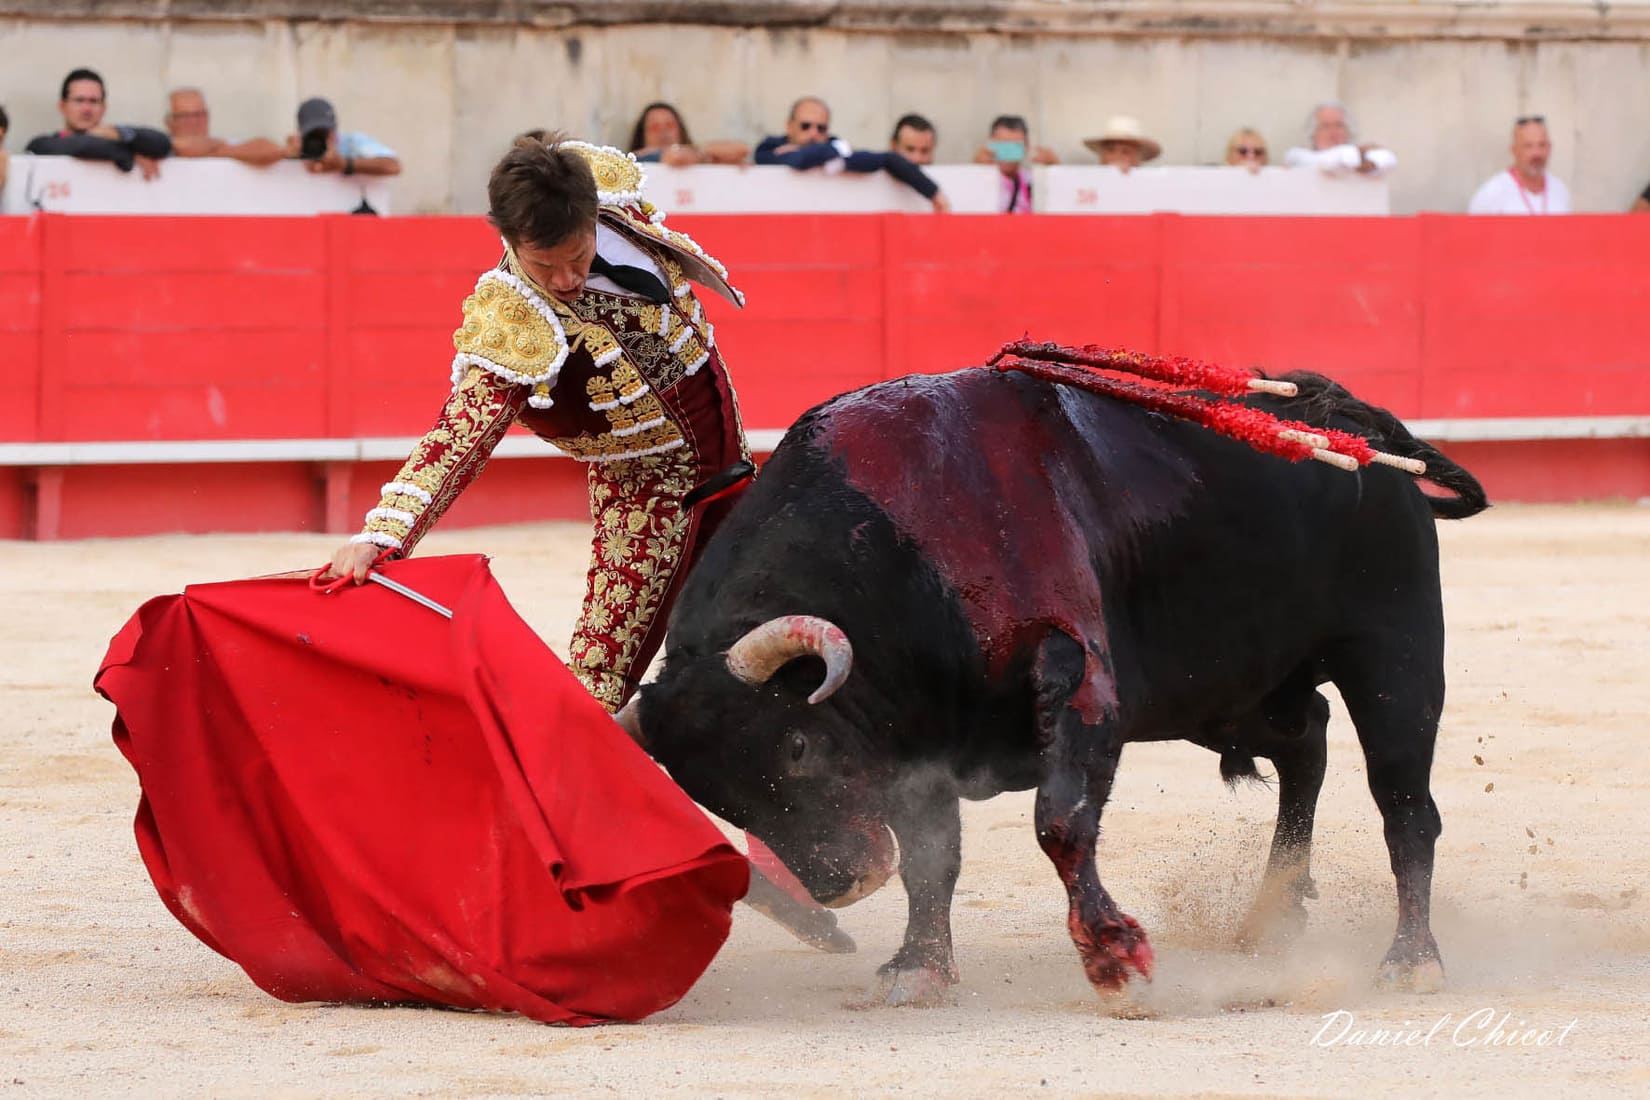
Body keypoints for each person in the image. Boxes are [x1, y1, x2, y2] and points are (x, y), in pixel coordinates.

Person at [323, 132, 849, 951]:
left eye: (574, 258)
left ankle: (782, 855)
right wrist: (382, 536)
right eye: (546, 267)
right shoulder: (510, 319)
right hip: (646, 512)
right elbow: (456, 439)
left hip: (737, 491)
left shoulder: (608, 193)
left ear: (591, 219)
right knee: (591, 708)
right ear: (508, 242)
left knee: (805, 654)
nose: (565, 280)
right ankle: (530, 897)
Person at [755, 96, 950, 212]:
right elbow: (799, 160)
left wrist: (933, 193)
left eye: (821, 128)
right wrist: (831, 151)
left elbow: (887, 159)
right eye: (806, 126)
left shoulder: (836, 147)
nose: (814, 133)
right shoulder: (769, 148)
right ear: (789, 126)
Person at [25, 68, 171, 180]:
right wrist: (128, 154)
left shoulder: (115, 137)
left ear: (104, 108)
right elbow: (84, 146)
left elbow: (162, 143)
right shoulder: (43, 144)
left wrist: (119, 133)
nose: (87, 109)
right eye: (79, 100)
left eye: (94, 101)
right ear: (62, 106)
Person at [1467, 115, 1572, 215]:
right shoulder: (1491, 194)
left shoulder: (1560, 190)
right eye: (1528, 146)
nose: (1536, 153)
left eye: (1542, 145)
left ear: (1549, 147)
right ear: (1514, 150)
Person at [164, 87, 284, 166]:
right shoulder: (159, 151)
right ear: (169, 122)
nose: (195, 122)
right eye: (185, 116)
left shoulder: (220, 145)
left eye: (200, 114)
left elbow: (272, 149)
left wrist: (216, 149)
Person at [285, 97, 400, 177]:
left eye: (324, 133)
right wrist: (286, 155)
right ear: (300, 132)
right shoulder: (297, 147)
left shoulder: (352, 143)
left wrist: (344, 164)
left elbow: (393, 166)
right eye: (313, 134)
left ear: (335, 128)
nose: (318, 141)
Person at [973, 113, 1058, 213]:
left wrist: (1055, 170)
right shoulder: (977, 181)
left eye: (1015, 146)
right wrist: (976, 171)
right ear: (990, 144)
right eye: (1003, 145)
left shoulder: (1033, 181)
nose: (1008, 152)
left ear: (1026, 147)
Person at [1283, 103, 1396, 177]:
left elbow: (1387, 159)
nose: (1333, 132)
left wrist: (1368, 161)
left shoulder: (1358, 155)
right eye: (1325, 126)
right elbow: (1327, 162)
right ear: (1312, 133)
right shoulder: (1297, 155)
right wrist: (1357, 157)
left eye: (1339, 125)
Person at [627, 101, 747, 166]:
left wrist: (698, 154)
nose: (663, 132)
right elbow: (675, 157)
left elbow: (741, 149)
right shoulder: (633, 162)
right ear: (642, 134)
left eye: (670, 125)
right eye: (655, 127)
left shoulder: (695, 156)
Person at [1082, 115, 1161, 173]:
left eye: (1125, 152)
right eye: (1110, 150)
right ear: (1101, 155)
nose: (1117, 156)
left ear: (1138, 159)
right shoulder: (1086, 181)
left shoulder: (1150, 186)